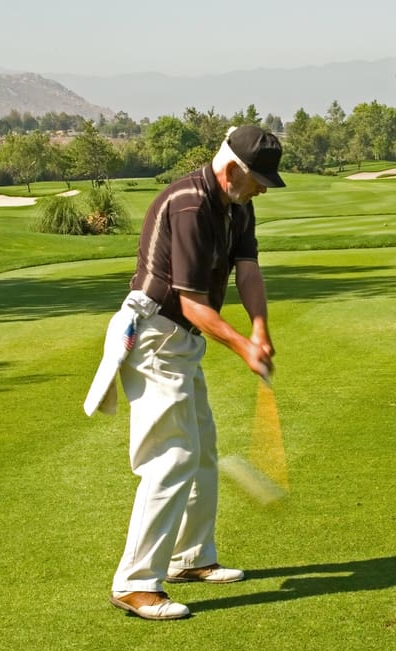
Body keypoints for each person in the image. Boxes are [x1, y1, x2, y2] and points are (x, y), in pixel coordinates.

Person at [84, 125, 285, 620]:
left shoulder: (237, 203)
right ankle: (134, 583)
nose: (262, 188)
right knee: (171, 456)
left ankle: (190, 558)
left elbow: (248, 270)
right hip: (154, 335)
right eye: (258, 178)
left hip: (181, 340)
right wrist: (243, 347)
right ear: (232, 168)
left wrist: (259, 328)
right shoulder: (190, 205)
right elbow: (194, 305)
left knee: (202, 447)